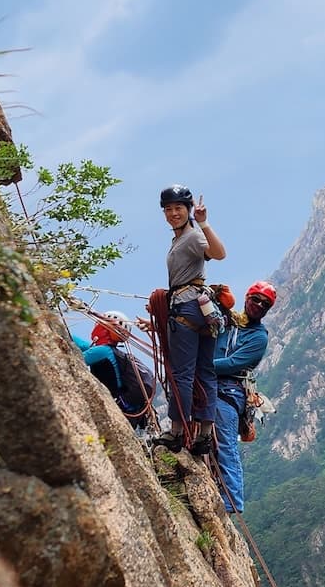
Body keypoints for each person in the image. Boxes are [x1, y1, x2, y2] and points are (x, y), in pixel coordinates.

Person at [158, 184, 226, 446]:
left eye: (178, 208)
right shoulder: (180, 239)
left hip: (186, 308)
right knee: (205, 371)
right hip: (202, 308)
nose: (173, 213)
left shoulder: (193, 237)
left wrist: (204, 223)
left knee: (182, 373)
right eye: (169, 209)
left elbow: (219, 254)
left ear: (188, 210)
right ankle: (205, 435)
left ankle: (177, 432)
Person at [210, 282, 275, 513]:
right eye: (256, 299)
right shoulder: (228, 321)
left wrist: (200, 365)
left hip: (230, 390)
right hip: (210, 383)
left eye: (264, 304)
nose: (258, 305)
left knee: (226, 443)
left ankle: (232, 502)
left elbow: (233, 363)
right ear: (247, 298)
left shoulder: (258, 337)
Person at [73, 315, 156, 432]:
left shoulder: (103, 351)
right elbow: (81, 344)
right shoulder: (110, 351)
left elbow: (75, 359)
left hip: (118, 409)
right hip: (126, 409)